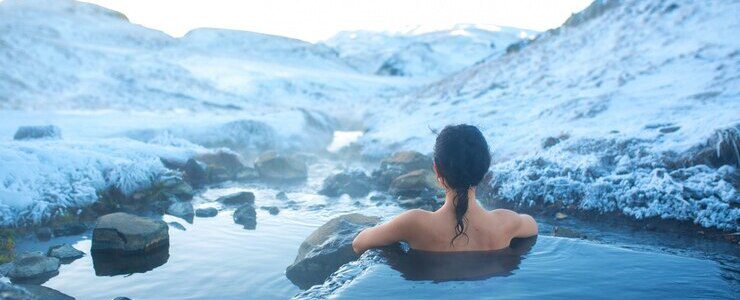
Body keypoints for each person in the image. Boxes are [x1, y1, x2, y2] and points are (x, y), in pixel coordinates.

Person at [353, 124, 538, 254]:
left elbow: (359, 243)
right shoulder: (505, 222)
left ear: (437, 170)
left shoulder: (414, 223)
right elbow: (533, 226)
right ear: (484, 169)